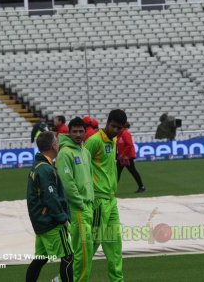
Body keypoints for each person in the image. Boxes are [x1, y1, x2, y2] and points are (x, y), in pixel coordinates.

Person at [26, 131, 73, 282]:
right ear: (53, 146)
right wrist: (63, 218)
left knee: (40, 259)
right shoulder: (45, 169)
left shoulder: (39, 166)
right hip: (51, 223)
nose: (59, 144)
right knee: (68, 257)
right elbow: (50, 197)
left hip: (41, 222)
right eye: (57, 142)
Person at [84, 109, 126, 282]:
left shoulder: (113, 140)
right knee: (91, 245)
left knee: (115, 246)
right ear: (107, 123)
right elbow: (81, 166)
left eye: (119, 128)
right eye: (113, 126)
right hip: (98, 201)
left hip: (111, 199)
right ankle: (66, 278)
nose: (115, 130)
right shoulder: (94, 141)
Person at [56, 117, 94, 282]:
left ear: (85, 132)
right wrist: (80, 203)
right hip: (77, 209)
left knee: (86, 251)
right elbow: (67, 183)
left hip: (88, 206)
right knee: (83, 252)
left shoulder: (85, 151)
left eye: (81, 131)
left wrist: (91, 201)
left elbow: (90, 178)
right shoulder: (65, 153)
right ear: (69, 132)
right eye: (75, 131)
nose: (78, 134)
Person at [117, 122, 145, 193]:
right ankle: (141, 186)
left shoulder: (125, 134)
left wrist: (122, 155)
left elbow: (129, 145)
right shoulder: (120, 134)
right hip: (123, 157)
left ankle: (141, 186)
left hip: (127, 157)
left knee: (119, 172)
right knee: (118, 172)